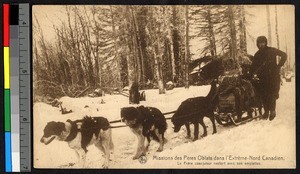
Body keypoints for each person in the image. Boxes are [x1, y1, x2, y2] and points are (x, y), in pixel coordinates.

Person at [250, 36, 287, 121]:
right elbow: (253, 67)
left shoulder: (272, 50)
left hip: (273, 77)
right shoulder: (257, 54)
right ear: (257, 44)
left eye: (263, 42)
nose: (261, 44)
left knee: (272, 94)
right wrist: (250, 74)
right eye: (259, 43)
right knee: (263, 95)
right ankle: (266, 112)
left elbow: (284, 55)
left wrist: (279, 66)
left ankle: (272, 111)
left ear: (266, 42)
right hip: (262, 78)